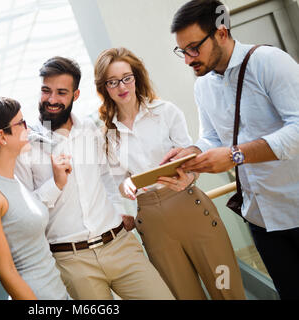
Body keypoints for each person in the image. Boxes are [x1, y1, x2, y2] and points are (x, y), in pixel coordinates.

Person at [166, 0, 299, 299]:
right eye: (182, 51)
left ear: (221, 33)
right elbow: (212, 137)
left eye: (194, 48)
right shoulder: (203, 86)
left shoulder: (269, 62)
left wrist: (235, 155)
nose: (188, 59)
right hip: (261, 217)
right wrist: (189, 152)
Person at [15, 56, 174, 300]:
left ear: (75, 96)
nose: (51, 99)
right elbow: (27, 212)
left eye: (61, 92)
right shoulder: (26, 145)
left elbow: (106, 177)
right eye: (46, 91)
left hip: (119, 245)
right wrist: (55, 185)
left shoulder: (90, 129)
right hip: (72, 262)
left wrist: (119, 209)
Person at [94, 47, 246, 300]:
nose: (122, 86)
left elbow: (191, 159)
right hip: (153, 224)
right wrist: (127, 186)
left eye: (126, 77)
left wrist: (189, 175)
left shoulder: (165, 112)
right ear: (104, 87)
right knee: (183, 295)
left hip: (190, 206)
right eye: (112, 81)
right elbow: (118, 183)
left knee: (226, 288)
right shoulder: (107, 136)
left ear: (136, 77)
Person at [0, 97, 70, 300]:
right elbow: (6, 271)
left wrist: (58, 183)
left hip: (57, 291)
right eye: (21, 124)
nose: (28, 130)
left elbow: (25, 218)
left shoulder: (15, 181)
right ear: (2, 136)